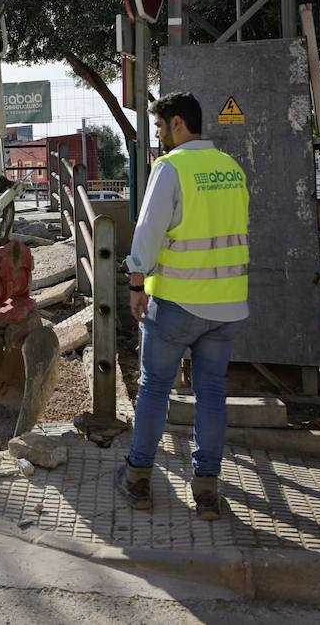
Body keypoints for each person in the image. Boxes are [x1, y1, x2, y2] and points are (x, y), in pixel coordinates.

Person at [117, 92, 250, 522]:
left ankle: (138, 478)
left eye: (159, 126)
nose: (158, 135)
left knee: (155, 388)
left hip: (177, 304)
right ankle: (207, 491)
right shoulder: (232, 169)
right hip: (227, 306)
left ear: (177, 123)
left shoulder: (171, 168)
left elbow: (148, 232)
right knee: (211, 394)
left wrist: (136, 282)